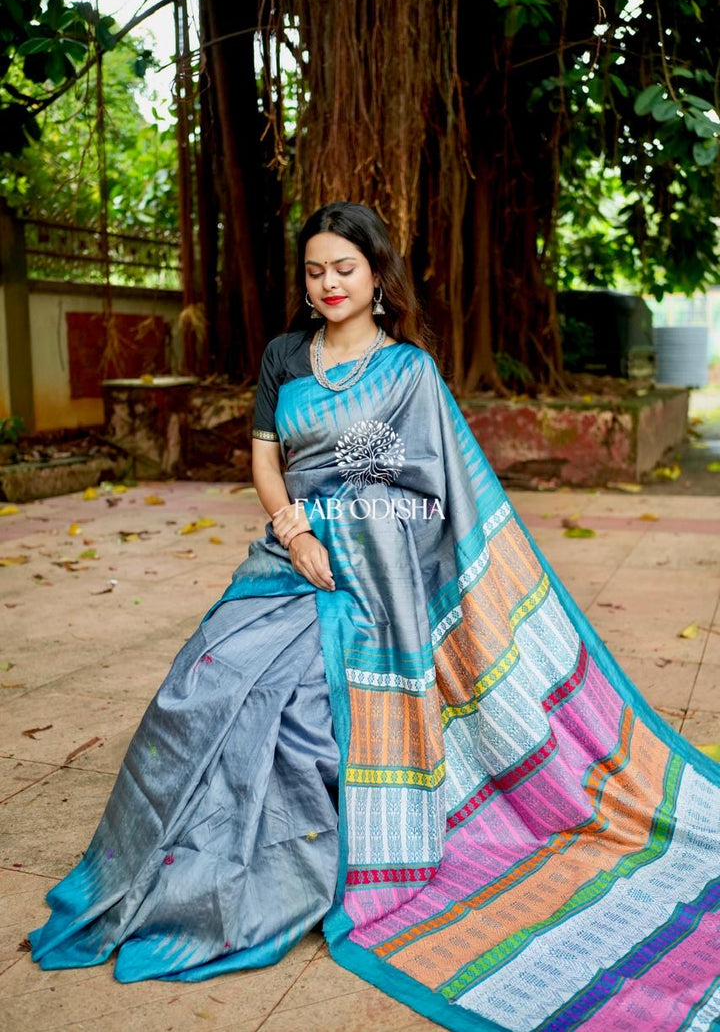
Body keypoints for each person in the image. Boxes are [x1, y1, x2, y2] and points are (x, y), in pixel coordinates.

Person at [29, 202, 720, 1031]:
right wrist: (294, 527)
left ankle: (276, 871)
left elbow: (426, 492)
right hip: (288, 555)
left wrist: (353, 538)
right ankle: (150, 866)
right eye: (315, 271)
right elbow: (264, 457)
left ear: (375, 274)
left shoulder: (410, 373)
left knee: (307, 716)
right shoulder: (286, 355)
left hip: (379, 571)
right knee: (204, 679)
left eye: (343, 269)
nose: (327, 284)